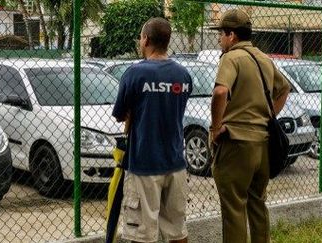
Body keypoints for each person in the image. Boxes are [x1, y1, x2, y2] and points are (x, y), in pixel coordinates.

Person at [209, 9, 290, 243]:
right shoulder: (263, 58)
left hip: (236, 145)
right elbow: (284, 88)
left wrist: (215, 128)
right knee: (257, 204)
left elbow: (221, 91)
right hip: (263, 144)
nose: (219, 39)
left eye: (221, 34)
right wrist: (269, 115)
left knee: (234, 208)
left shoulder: (231, 57)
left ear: (231, 35)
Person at [112, 17, 192, 243]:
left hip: (145, 165)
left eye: (140, 37)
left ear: (146, 39)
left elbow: (120, 114)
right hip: (175, 162)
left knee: (141, 234)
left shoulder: (135, 73)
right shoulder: (183, 76)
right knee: (177, 230)